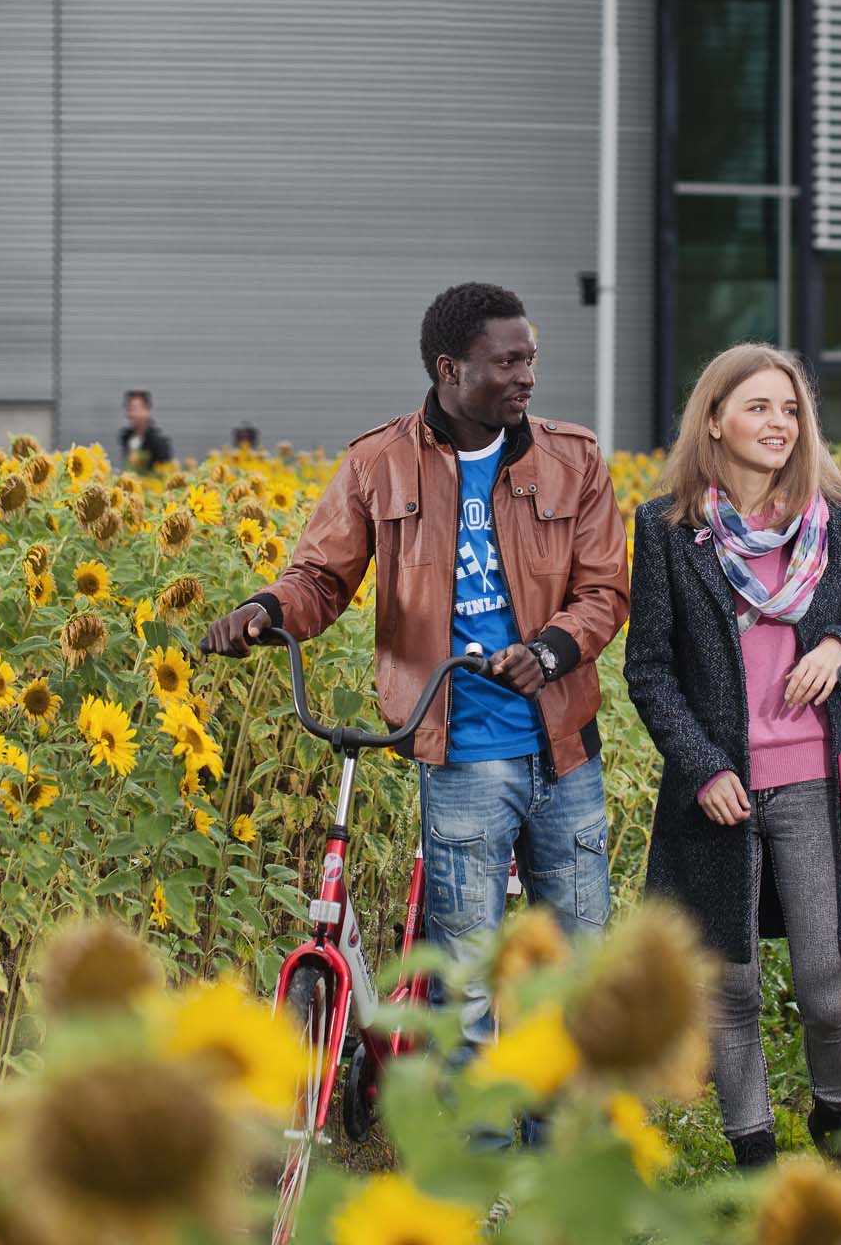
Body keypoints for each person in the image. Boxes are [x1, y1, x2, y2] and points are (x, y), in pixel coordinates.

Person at [201, 282, 629, 1052]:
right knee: (464, 991)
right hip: (459, 754)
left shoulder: (574, 459)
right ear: (450, 369)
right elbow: (322, 577)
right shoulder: (379, 462)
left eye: (532, 358)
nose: (527, 376)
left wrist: (551, 651)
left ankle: (560, 1156)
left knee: (577, 982)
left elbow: (603, 590)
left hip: (565, 752)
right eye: (508, 361)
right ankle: (477, 1164)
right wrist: (266, 610)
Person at [624, 343, 841, 1173]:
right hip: (719, 792)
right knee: (728, 986)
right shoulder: (668, 527)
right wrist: (703, 766)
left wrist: (839, 644)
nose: (780, 423)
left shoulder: (829, 518)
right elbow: (650, 667)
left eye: (790, 409)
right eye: (759, 407)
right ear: (714, 420)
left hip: (811, 780)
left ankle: (836, 1123)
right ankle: (753, 1154)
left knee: (825, 986)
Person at [119, 389, 175, 473]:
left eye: (136, 409)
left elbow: (165, 470)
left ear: (147, 410)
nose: (133, 414)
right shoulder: (125, 437)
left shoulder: (158, 442)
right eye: (130, 409)